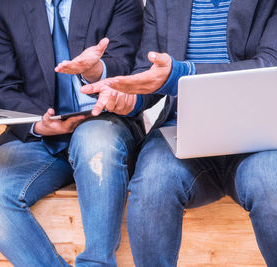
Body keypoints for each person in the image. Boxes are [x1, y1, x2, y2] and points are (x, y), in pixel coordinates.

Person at [82, 0, 277, 266]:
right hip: (182, 132)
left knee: (270, 184)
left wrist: (183, 72)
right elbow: (149, 76)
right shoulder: (162, 3)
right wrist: (129, 97)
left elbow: (270, 64)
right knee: (152, 185)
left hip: (258, 137)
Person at [0, 0, 144, 265]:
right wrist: (37, 123)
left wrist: (95, 71)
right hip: (37, 134)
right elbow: (1, 87)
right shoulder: (4, 5)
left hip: (103, 122)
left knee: (93, 141)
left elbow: (131, 64)